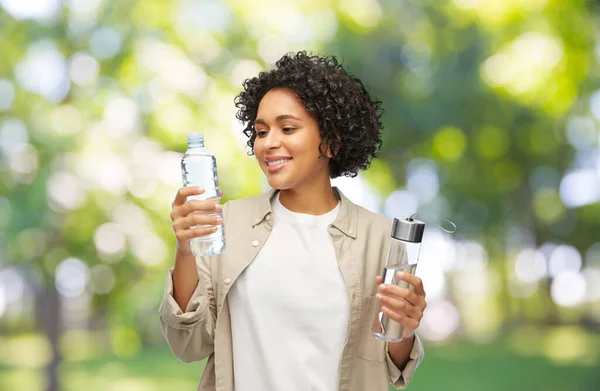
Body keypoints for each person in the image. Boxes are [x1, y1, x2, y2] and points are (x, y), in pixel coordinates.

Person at [159, 51, 426, 391]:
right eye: (260, 131)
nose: (269, 143)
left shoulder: (379, 238)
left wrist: (404, 324)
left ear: (330, 142)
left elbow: (392, 366)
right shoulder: (226, 222)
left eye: (287, 128)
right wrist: (186, 249)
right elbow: (188, 345)